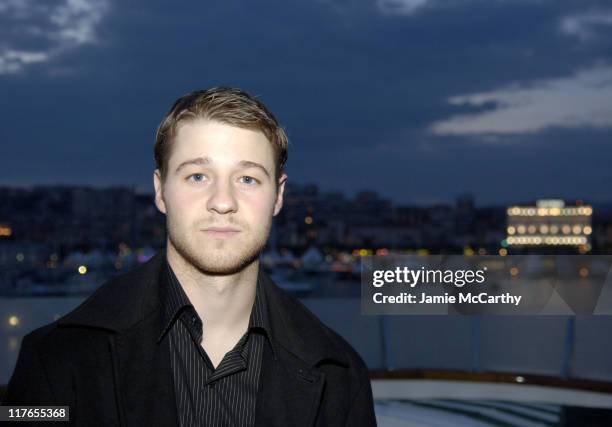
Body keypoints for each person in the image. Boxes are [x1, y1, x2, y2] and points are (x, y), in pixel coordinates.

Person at [4, 87, 377, 426]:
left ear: (278, 197)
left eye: (247, 179)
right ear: (160, 190)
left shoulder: (342, 375)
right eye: (198, 176)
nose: (222, 202)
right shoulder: (54, 359)